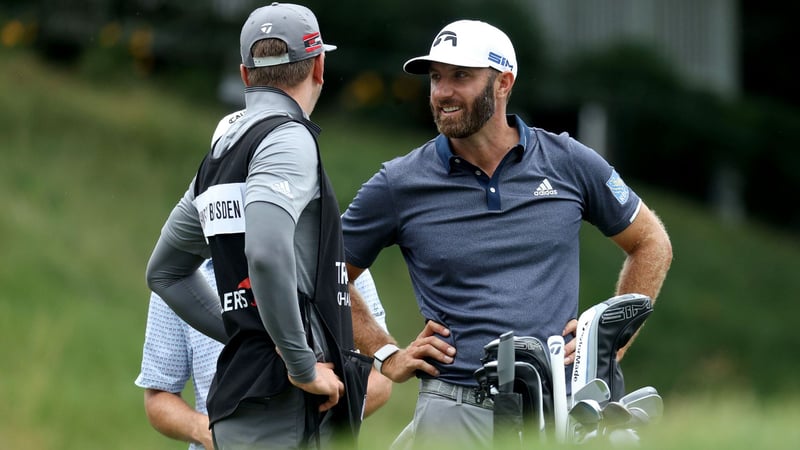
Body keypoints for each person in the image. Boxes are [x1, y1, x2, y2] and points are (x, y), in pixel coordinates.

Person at [342, 19, 673, 449]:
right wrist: (386, 354)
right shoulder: (399, 183)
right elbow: (322, 272)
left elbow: (651, 243)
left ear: (503, 83)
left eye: (460, 76)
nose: (442, 92)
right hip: (454, 408)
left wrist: (607, 347)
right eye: (436, 78)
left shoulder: (568, 161)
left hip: (558, 406)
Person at [145, 3, 372, 448]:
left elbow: (164, 272)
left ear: (246, 75)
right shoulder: (288, 138)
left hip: (243, 404)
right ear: (320, 67)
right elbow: (265, 254)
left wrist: (252, 328)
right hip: (285, 408)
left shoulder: (219, 156)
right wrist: (300, 362)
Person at [135, 260, 392, 450]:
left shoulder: (337, 266)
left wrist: (317, 417)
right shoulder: (182, 278)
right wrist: (206, 431)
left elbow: (381, 378)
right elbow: (159, 396)